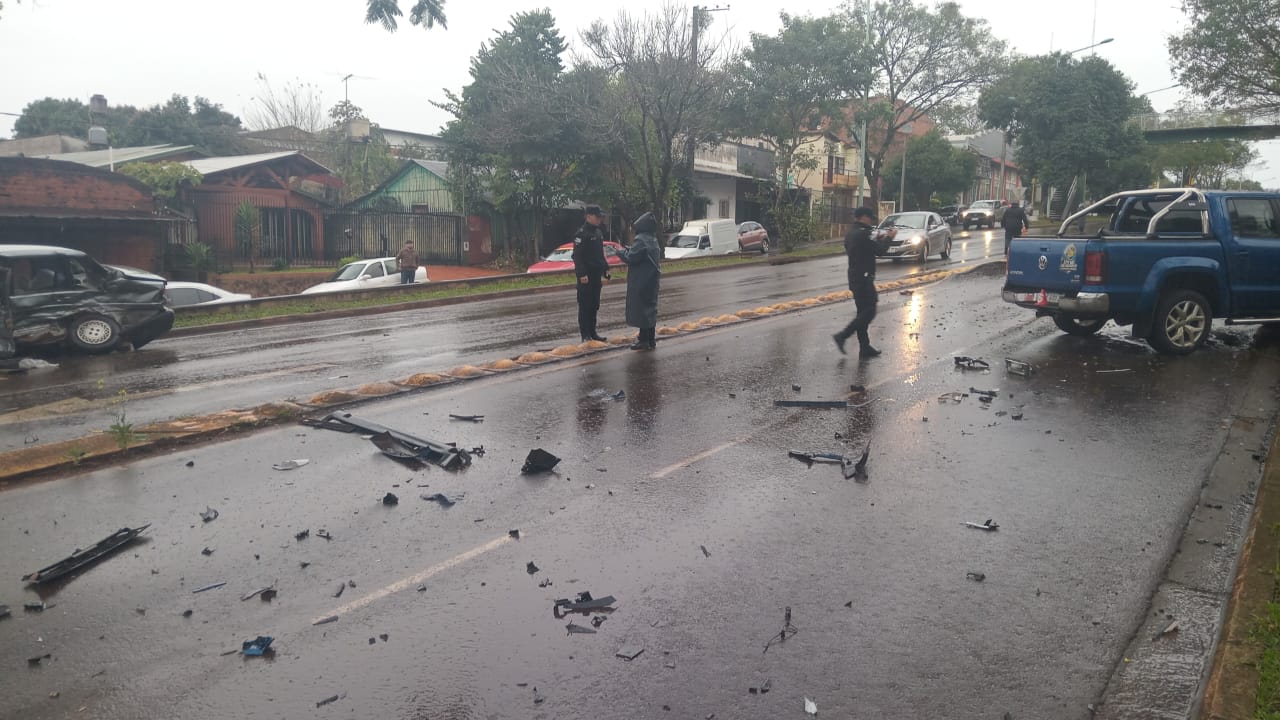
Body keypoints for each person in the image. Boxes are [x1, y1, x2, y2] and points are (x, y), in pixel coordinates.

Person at [833, 207, 891, 358]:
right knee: (869, 310)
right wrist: (889, 238)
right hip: (864, 278)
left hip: (855, 277)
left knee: (862, 312)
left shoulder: (851, 233)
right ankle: (843, 335)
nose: (871, 220)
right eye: (870, 217)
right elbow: (880, 251)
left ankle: (864, 347)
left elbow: (864, 248)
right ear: (863, 217)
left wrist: (876, 240)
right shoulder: (863, 234)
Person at [618, 212, 662, 351]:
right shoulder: (653, 239)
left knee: (641, 310)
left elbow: (632, 257)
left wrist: (620, 253)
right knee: (650, 308)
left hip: (641, 280)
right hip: (652, 280)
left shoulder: (640, 239)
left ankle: (643, 340)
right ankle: (650, 339)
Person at [571, 205, 611, 342]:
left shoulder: (598, 233)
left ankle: (593, 332)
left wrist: (605, 268)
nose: (600, 219)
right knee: (585, 305)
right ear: (588, 216)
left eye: (601, 217)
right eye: (597, 216)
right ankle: (585, 335)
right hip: (585, 276)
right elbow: (577, 256)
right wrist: (581, 274)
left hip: (596, 275)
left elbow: (600, 254)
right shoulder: (581, 234)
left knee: (594, 304)